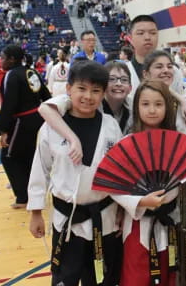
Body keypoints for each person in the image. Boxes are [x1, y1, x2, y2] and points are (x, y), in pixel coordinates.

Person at [27, 60, 151, 286]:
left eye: (96, 91)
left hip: (104, 219)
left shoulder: (111, 125)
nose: (88, 96)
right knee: (65, 279)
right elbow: (40, 169)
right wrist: (36, 211)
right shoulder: (52, 127)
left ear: (103, 93)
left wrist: (125, 207)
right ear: (68, 89)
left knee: (102, 280)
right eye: (81, 89)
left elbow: (120, 173)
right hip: (67, 219)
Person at [114, 80, 179, 286]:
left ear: (167, 107)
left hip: (169, 223)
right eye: (145, 104)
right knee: (137, 278)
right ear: (137, 107)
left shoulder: (178, 141)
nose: (152, 110)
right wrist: (141, 202)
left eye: (159, 104)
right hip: (137, 224)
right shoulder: (126, 143)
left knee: (170, 276)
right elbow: (113, 186)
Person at [0, 46, 51, 209]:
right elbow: (46, 95)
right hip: (38, 118)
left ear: (12, 59)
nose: (1, 60)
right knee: (29, 157)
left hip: (22, 121)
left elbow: (9, 104)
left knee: (8, 156)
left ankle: (22, 197)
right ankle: (32, 192)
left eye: (4, 57)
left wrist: (4, 130)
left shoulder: (12, 75)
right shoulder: (31, 71)